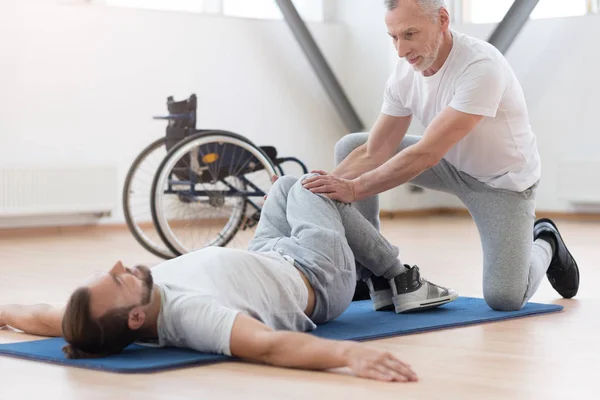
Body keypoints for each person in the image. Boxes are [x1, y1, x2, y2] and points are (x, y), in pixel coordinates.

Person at [0, 173, 459, 382]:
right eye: (119, 280)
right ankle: (400, 279)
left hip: (267, 255)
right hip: (318, 277)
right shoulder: (191, 315)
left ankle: (379, 277)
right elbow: (269, 346)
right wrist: (348, 357)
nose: (121, 267)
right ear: (137, 316)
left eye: (110, 271)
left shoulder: (97, 317)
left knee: (282, 187)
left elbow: (41, 316)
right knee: (309, 185)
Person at [302, 0, 579, 312]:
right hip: (449, 162)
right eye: (393, 37)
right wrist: (312, 187)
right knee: (352, 145)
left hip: (501, 184)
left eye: (410, 34)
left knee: (505, 297)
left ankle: (546, 241)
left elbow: (427, 153)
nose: (401, 50)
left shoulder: (481, 66)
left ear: (443, 20)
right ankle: (372, 276)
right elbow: (374, 151)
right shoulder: (403, 74)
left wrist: (352, 189)